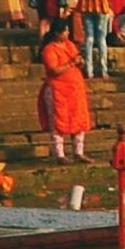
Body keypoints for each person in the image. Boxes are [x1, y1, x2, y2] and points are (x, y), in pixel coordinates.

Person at [36, 16, 92, 161]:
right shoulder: (49, 49)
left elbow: (77, 58)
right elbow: (54, 70)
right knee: (58, 123)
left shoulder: (69, 45)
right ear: (57, 33)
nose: (67, 34)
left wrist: (80, 62)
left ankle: (78, 153)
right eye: (65, 31)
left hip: (75, 90)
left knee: (79, 121)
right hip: (58, 91)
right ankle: (60, 155)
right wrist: (71, 63)